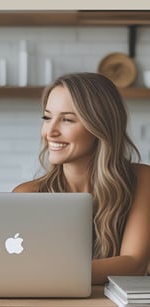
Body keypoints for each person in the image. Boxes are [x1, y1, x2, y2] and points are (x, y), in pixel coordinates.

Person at [13, 72, 150, 285]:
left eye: (67, 119)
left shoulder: (142, 179)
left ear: (100, 126)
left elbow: (133, 264)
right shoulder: (27, 195)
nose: (50, 131)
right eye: (47, 117)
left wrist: (46, 273)